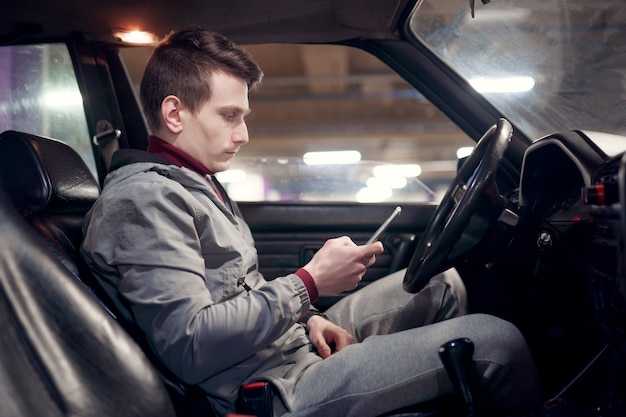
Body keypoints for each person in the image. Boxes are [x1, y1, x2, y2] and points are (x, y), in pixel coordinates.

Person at [81, 27, 541, 417]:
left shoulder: (192, 181)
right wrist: (309, 283)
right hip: (273, 388)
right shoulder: (144, 200)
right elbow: (191, 346)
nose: (243, 134)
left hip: (285, 348)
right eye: (229, 117)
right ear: (175, 113)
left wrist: (308, 318)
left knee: (440, 284)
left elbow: (241, 288)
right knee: (496, 343)